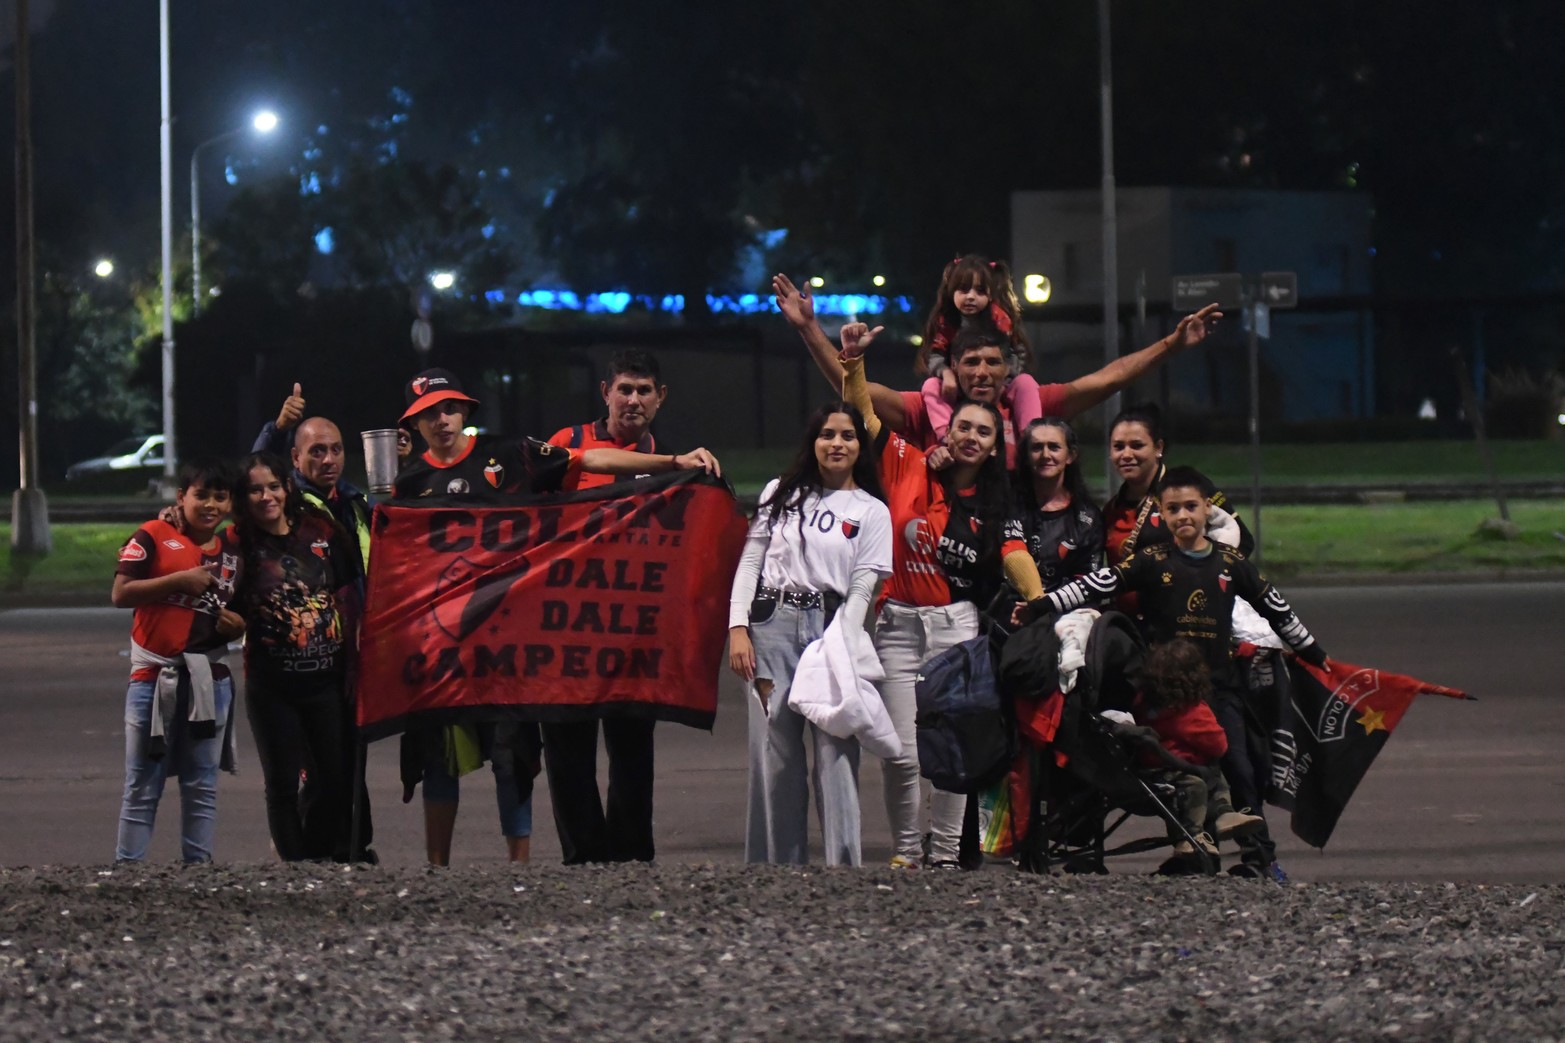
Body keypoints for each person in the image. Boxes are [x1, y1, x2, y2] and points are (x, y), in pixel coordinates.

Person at [393, 367, 719, 866]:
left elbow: (590, 460)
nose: (442, 419)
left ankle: (619, 860)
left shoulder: (506, 453)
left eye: (449, 408)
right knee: (474, 749)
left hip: (582, 623)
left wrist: (675, 462)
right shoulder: (408, 484)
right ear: (412, 426)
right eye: (429, 413)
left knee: (554, 749)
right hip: (488, 630)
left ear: (465, 411)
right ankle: (560, 861)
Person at [1037, 465, 1329, 882]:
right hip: (1167, 691)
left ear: (1207, 509)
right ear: (1161, 512)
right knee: (1182, 770)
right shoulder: (1151, 561)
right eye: (1173, 509)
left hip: (1220, 684)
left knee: (1239, 767)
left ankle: (1260, 858)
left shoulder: (1232, 564)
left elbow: (1277, 609)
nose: (1183, 516)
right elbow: (1096, 584)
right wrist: (1040, 605)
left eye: (1191, 507)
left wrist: (1313, 652)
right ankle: (1193, 850)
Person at [838, 321, 1047, 869]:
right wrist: (854, 362)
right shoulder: (907, 463)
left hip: (956, 631)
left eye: (985, 431)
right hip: (899, 627)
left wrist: (1041, 600)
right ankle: (907, 852)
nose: (973, 437)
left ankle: (948, 856)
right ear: (947, 432)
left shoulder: (998, 502)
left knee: (952, 752)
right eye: (964, 427)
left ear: (994, 443)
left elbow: (1015, 556)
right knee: (903, 754)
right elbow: (862, 415)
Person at [774, 272, 1222, 464]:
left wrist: (1172, 344)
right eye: (971, 362)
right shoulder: (927, 407)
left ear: (1008, 370)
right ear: (952, 367)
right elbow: (856, 388)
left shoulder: (1028, 401)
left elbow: (1108, 378)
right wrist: (809, 328)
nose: (983, 372)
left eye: (993, 362)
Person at [727, 403, 893, 866]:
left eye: (847, 436)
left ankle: (844, 868)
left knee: (836, 754)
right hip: (771, 626)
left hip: (832, 629)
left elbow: (865, 584)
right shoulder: (780, 493)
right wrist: (737, 627)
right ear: (812, 441)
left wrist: (844, 637)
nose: (836, 444)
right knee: (775, 757)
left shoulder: (871, 510)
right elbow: (751, 563)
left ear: (861, 447)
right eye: (826, 434)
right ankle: (777, 869)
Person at [540, 349, 666, 864]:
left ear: (661, 398)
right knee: (568, 752)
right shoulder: (567, 444)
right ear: (604, 392)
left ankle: (632, 859)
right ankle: (585, 859)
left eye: (643, 390)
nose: (632, 400)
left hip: (631, 630)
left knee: (633, 751)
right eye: (624, 389)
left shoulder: (671, 459)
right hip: (566, 627)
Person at [252, 382, 377, 861]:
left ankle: (351, 845)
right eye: (317, 451)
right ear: (296, 458)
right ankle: (309, 853)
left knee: (347, 757)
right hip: (301, 659)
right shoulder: (288, 506)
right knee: (313, 767)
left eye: (337, 449)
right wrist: (277, 429)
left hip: (352, 652)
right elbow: (254, 478)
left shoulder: (354, 502)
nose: (329, 459)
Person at [230, 452, 362, 862]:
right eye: (255, 489)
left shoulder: (321, 530)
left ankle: (318, 859)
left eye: (273, 486)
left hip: (327, 682)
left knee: (333, 780)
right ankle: (295, 868)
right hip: (272, 687)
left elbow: (352, 587)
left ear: (287, 487)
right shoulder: (236, 543)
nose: (266, 496)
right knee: (283, 785)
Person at [111, 457, 245, 863]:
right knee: (142, 784)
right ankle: (127, 871)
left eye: (220, 498)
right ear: (181, 497)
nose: (210, 505)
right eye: (200, 495)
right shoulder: (153, 534)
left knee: (201, 785)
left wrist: (236, 627)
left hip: (211, 682)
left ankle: (198, 872)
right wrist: (178, 581)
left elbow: (240, 616)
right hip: (153, 680)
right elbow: (120, 593)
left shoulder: (235, 549)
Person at [1100, 402, 1250, 617]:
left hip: (1185, 621)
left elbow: (1243, 541)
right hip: (1128, 626)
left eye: (1137, 445)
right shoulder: (1110, 510)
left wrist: (1204, 586)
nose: (1126, 454)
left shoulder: (1190, 489)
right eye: (1118, 446)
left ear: (1158, 448)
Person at [1131, 639, 1263, 866]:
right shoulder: (1190, 712)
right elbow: (1219, 745)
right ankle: (1192, 834)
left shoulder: (1143, 703)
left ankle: (1222, 814)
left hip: (1148, 766)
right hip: (1178, 771)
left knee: (1204, 775)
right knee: (1209, 776)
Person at [917, 255, 1042, 446]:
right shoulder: (946, 320)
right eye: (963, 289)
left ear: (991, 295)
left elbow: (1018, 352)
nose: (971, 297)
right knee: (931, 386)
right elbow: (934, 354)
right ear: (951, 291)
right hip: (960, 384)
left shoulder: (1000, 319)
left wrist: (1004, 380)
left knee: (1026, 383)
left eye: (980, 291)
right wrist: (946, 374)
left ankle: (1032, 440)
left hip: (999, 384)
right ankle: (947, 438)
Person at [1014, 417, 1104, 594]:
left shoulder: (1088, 517)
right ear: (1026, 456)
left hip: (1067, 614)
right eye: (1037, 447)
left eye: (1054, 447)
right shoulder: (1008, 504)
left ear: (1070, 456)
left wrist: (1048, 605)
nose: (1045, 455)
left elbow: (1089, 584)